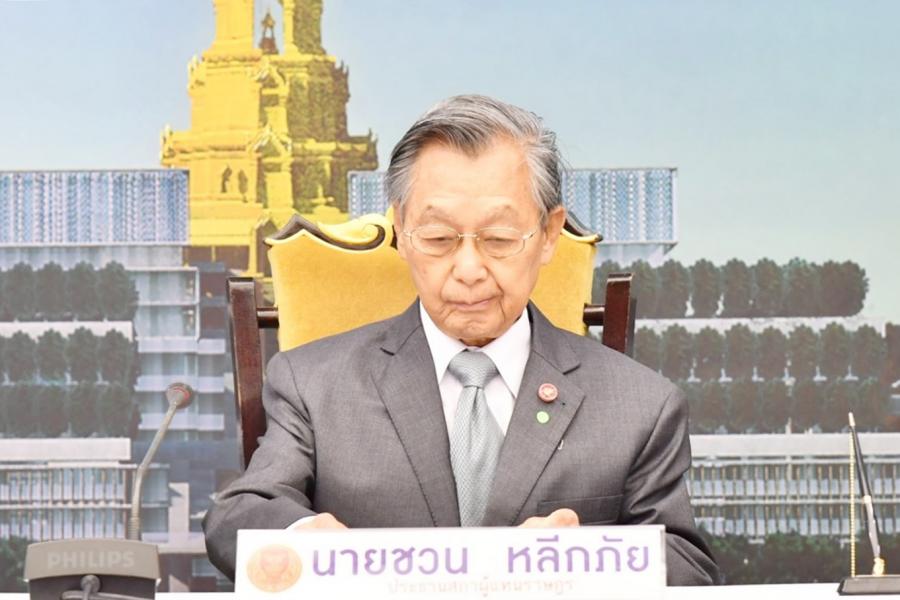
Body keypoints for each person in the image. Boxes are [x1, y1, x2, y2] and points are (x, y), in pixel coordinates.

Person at [203, 94, 718, 585]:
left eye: (498, 239)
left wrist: (583, 562)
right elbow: (243, 513)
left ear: (548, 235)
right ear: (402, 233)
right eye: (438, 238)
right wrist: (307, 542)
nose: (468, 270)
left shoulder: (641, 405)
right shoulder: (313, 384)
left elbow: (688, 568)